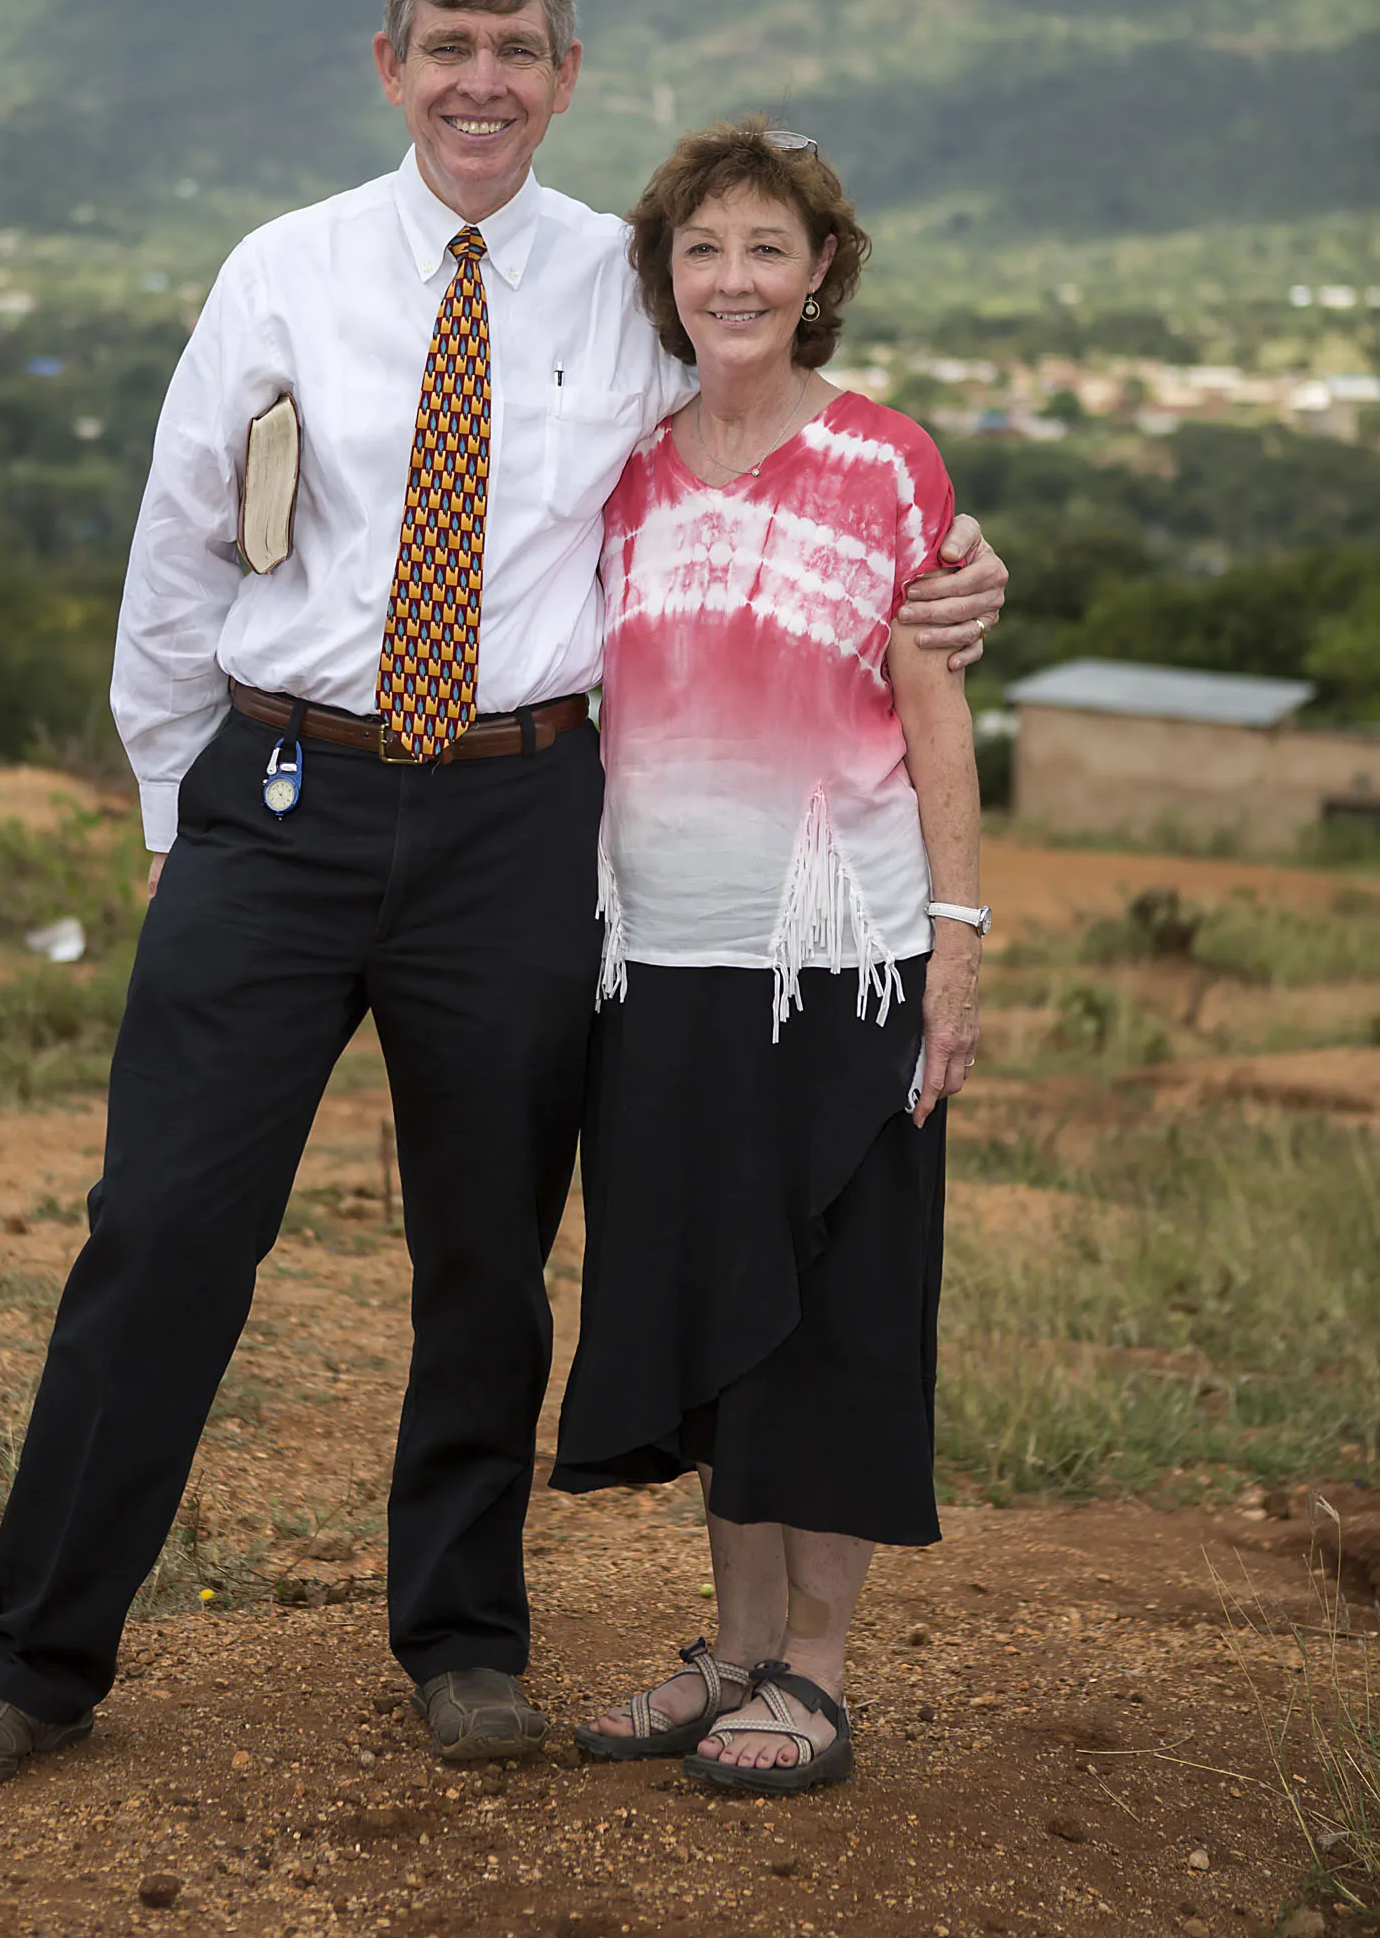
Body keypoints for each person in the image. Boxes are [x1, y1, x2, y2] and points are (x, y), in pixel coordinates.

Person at [0, 0, 1005, 1794]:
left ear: (565, 75)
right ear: (388, 65)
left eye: (514, 47)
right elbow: (182, 551)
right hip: (281, 795)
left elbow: (775, 442)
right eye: (446, 47)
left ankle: (465, 1638)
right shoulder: (285, 272)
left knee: (487, 1258)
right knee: (162, 1230)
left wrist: (953, 572)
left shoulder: (623, 288)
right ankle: (31, 1661)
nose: (479, 78)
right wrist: (180, 812)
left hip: (516, 820)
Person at [553, 116, 982, 1793]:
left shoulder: (885, 464)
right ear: (668, 278)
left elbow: (937, 711)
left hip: (846, 958)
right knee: (709, 1308)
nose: (732, 278)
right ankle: (728, 1648)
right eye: (702, 250)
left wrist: (955, 949)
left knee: (835, 1312)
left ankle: (813, 1671)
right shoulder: (630, 472)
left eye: (766, 250)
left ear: (818, 279)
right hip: (654, 959)